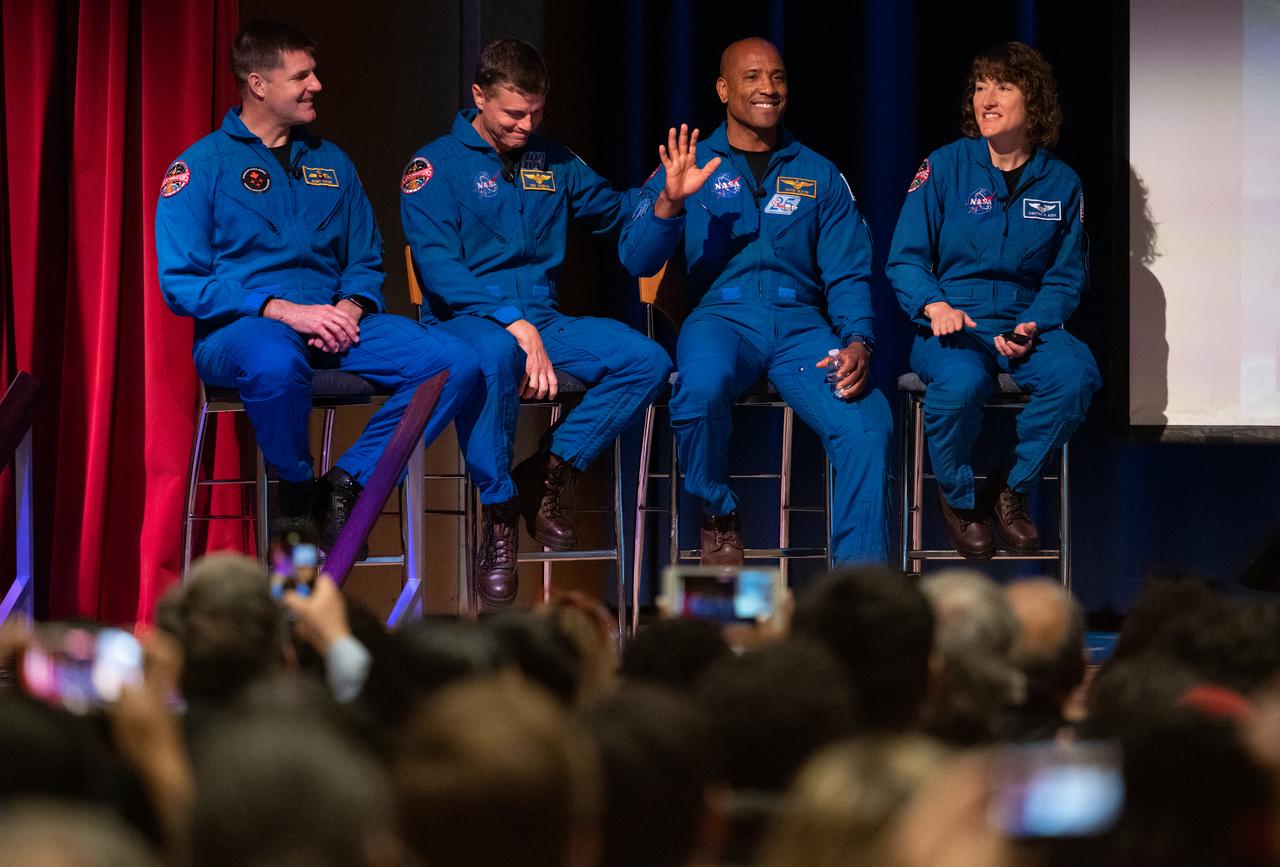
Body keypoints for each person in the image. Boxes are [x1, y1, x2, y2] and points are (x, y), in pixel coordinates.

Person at [156, 21, 482, 553]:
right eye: (301, 76)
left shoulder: (332, 162)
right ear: (258, 85)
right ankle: (298, 489)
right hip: (244, 331)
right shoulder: (201, 167)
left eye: (315, 73)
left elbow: (366, 257)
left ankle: (347, 485)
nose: (317, 86)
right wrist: (282, 310)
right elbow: (182, 283)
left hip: (334, 324)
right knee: (275, 362)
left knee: (455, 363)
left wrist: (350, 308)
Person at [400, 38, 672, 605]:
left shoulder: (554, 160)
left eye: (537, 112)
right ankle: (498, 512)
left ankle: (543, 474)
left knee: (646, 360)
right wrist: (510, 323)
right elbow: (439, 268)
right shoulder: (432, 166)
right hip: (463, 320)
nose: (527, 124)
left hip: (543, 317)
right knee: (495, 354)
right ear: (479, 96)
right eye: (513, 113)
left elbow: (620, 212)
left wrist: (664, 195)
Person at [619, 37, 893, 566]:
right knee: (699, 389)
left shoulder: (819, 174)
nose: (768, 88)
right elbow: (635, 259)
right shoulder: (686, 164)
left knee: (868, 423)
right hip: (720, 319)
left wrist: (858, 339)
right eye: (751, 77)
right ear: (723, 89)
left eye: (778, 77)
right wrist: (670, 200)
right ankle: (718, 514)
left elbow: (849, 271)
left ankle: (863, 599)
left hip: (801, 328)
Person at [886, 41, 1100, 560]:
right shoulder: (944, 167)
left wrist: (1033, 324)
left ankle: (1009, 487)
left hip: (1029, 317)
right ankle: (960, 501)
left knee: (1077, 375)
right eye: (980, 86)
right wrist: (935, 306)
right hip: (953, 320)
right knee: (960, 383)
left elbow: (1067, 277)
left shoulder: (1062, 182)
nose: (987, 98)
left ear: (1035, 103)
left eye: (1003, 86)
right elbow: (906, 259)